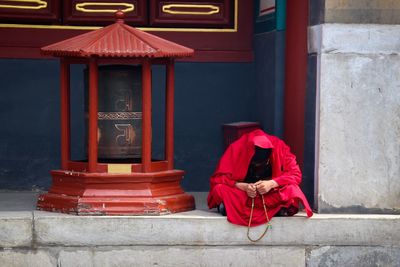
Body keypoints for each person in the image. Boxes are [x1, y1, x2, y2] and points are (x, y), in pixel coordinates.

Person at [207, 129, 313, 226]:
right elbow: (218, 178)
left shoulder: (279, 147)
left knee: (292, 190)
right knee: (219, 189)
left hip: (269, 193)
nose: (258, 167)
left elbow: (295, 174)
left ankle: (230, 208)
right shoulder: (237, 148)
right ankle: (275, 210)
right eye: (255, 164)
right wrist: (241, 186)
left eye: (261, 164)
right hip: (244, 194)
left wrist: (272, 183)